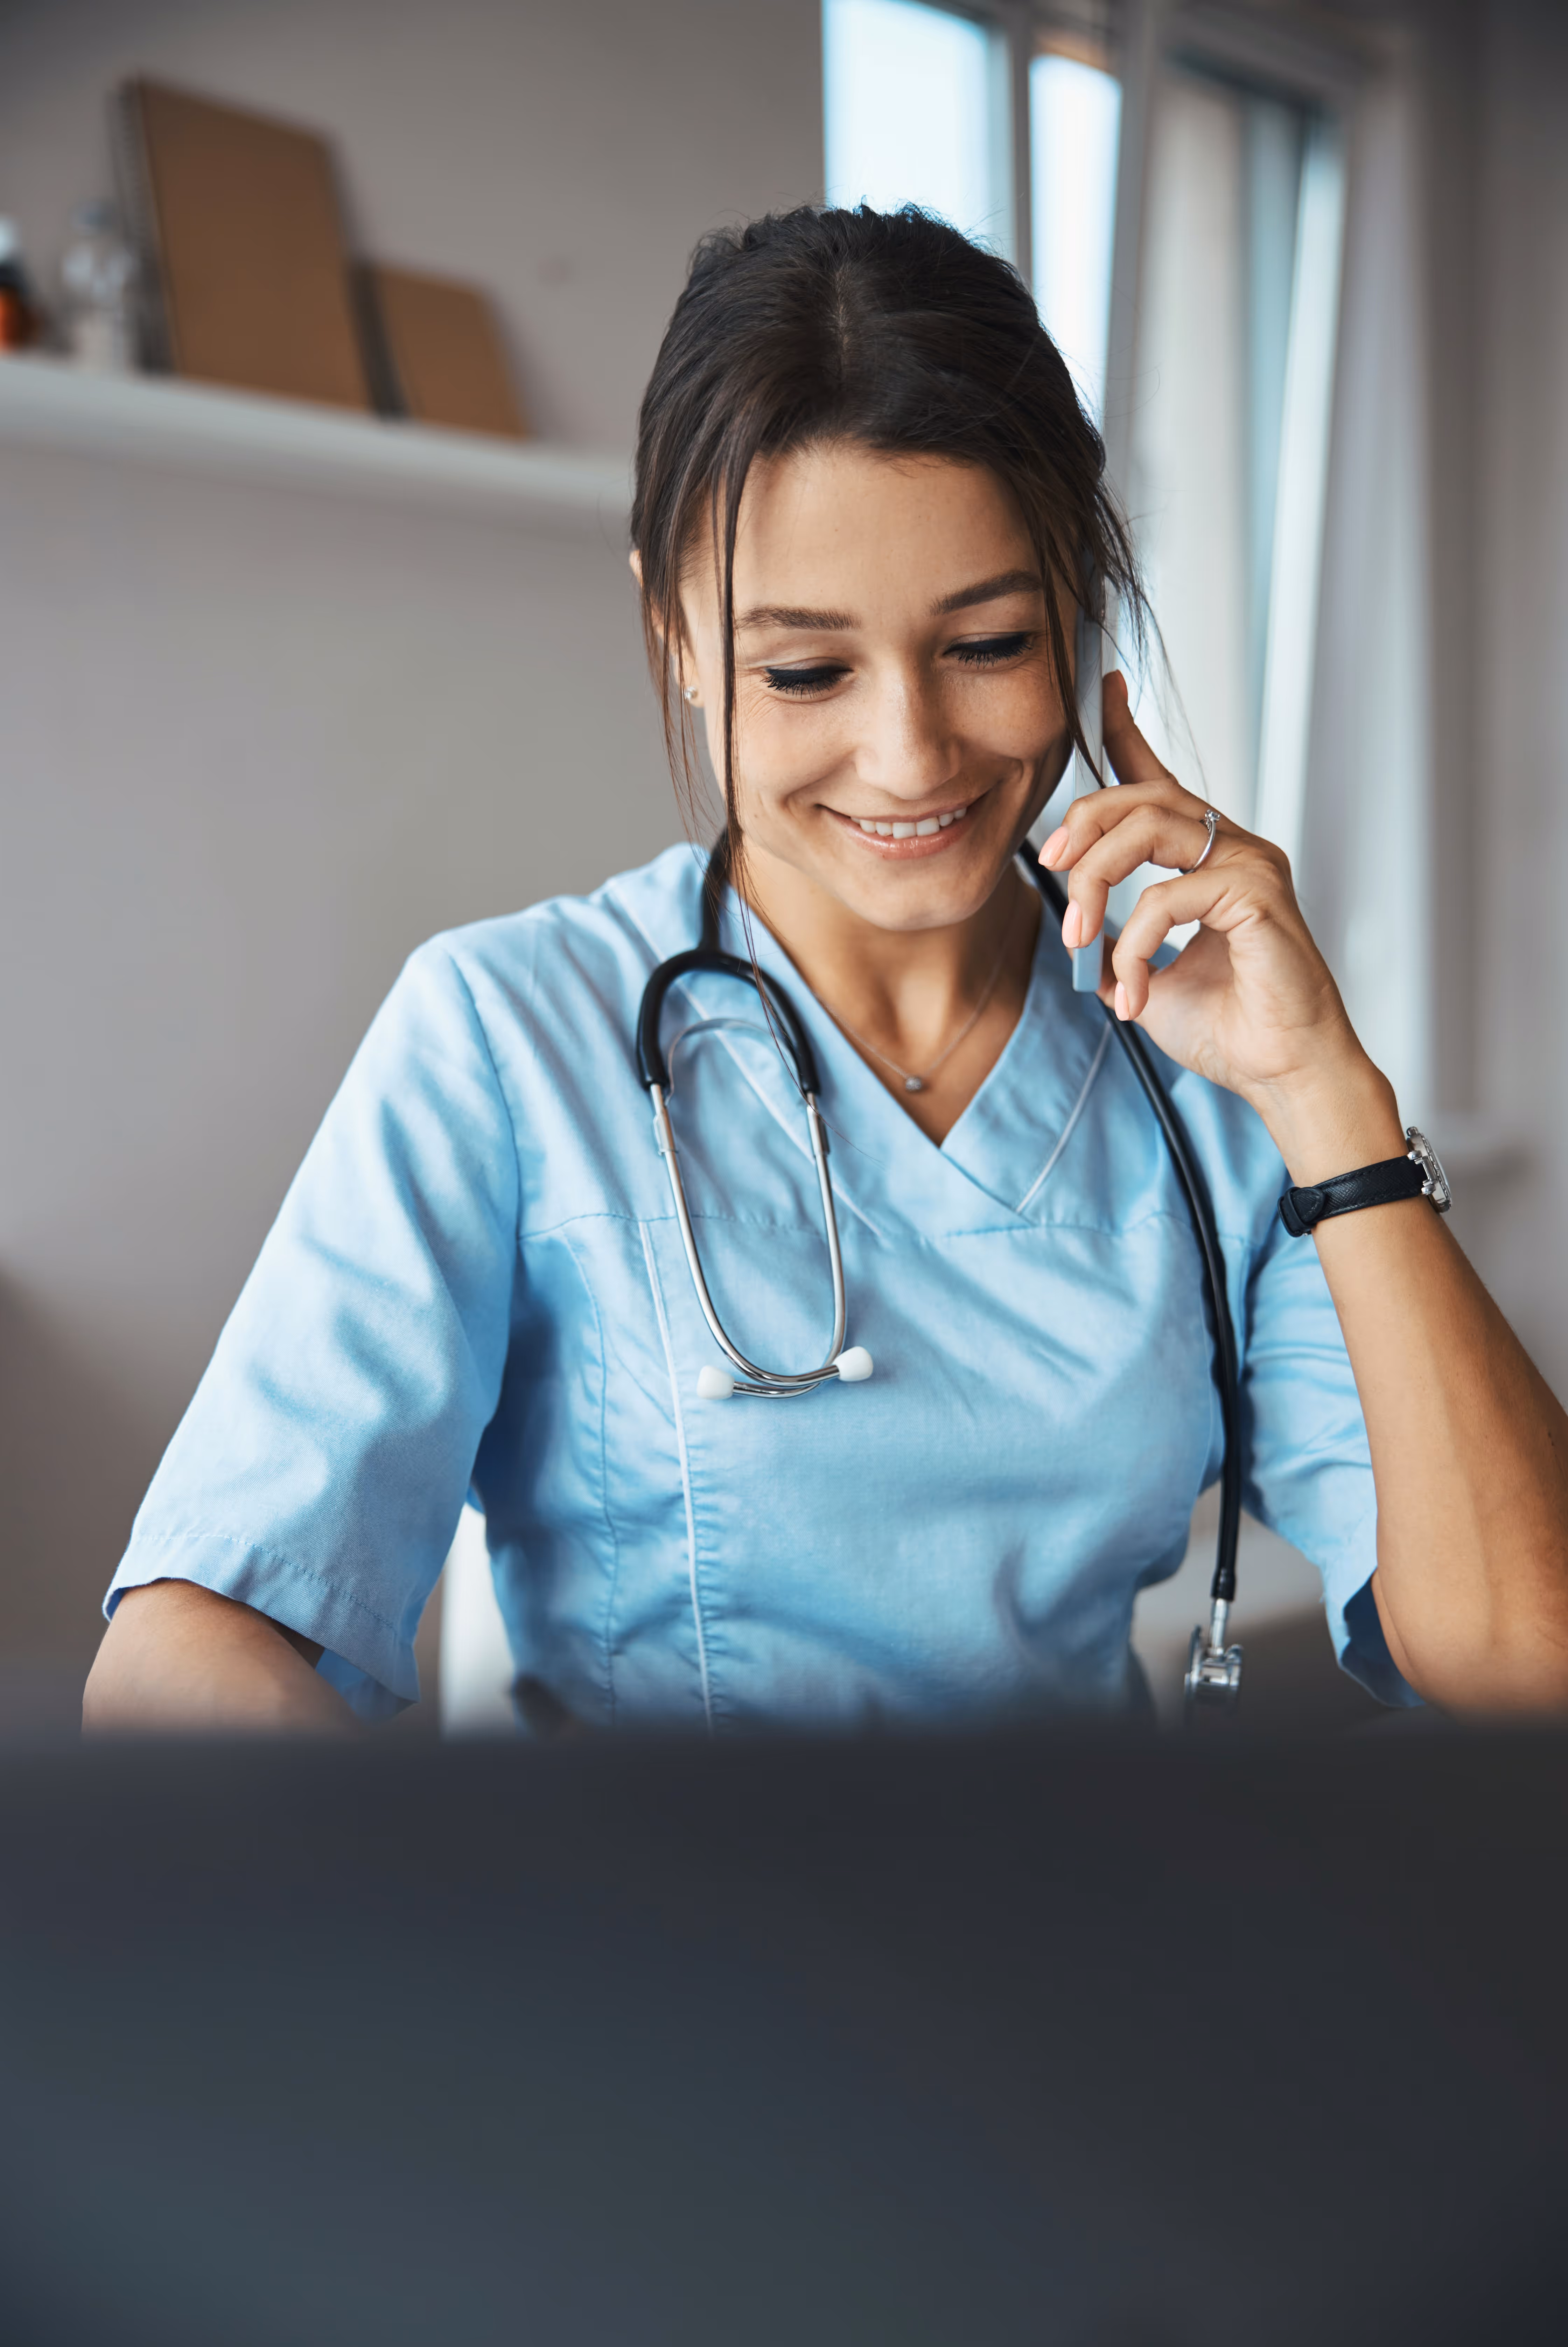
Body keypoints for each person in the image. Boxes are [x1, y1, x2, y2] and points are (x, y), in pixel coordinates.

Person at [84, 207, 1568, 1736]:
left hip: (1092, 1942)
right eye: (805, 671)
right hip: (660, 1958)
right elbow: (186, 1649)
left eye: (988, 645)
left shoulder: (1208, 1074)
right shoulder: (506, 1037)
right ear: (674, 630)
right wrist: (459, 1947)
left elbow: (1527, 1667)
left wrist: (1326, 1092)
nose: (909, 754)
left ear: (1079, 614)